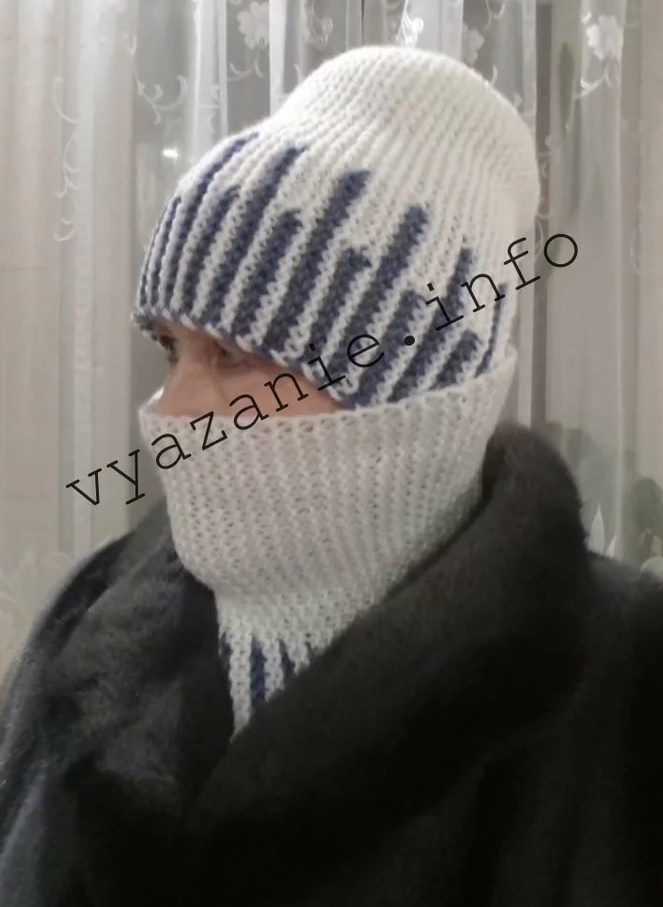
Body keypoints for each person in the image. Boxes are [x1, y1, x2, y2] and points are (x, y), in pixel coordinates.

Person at [1, 44, 662, 907]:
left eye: (233, 357)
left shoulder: (624, 682)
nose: (172, 407)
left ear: (420, 383)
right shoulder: (89, 626)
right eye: (170, 349)